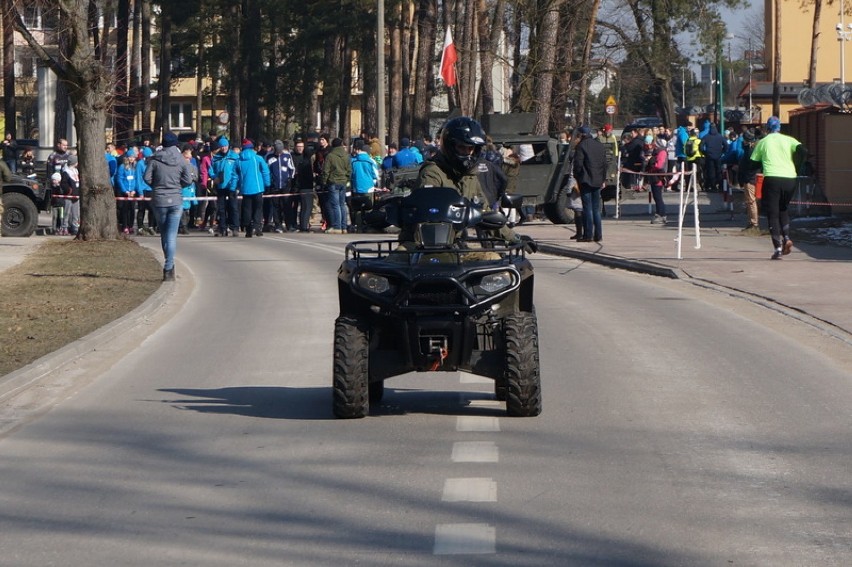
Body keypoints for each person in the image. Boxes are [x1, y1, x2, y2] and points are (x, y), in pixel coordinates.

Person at [409, 116, 535, 251]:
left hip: (454, 246)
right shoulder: (432, 172)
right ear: (450, 146)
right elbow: (428, 212)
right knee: (396, 262)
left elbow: (485, 212)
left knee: (506, 266)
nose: (467, 153)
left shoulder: (470, 176)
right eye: (462, 147)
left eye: (471, 149)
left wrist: (515, 238)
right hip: (422, 245)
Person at [749, 116, 804, 260]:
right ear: (779, 127)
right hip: (790, 178)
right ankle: (787, 237)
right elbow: (803, 150)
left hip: (772, 178)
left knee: (772, 213)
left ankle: (778, 247)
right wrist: (797, 166)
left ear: (767, 128)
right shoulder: (789, 140)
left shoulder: (763, 142)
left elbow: (753, 163)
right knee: (783, 209)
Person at [143, 131, 193, 281]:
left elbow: (146, 177)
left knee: (164, 234)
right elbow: (188, 180)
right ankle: (169, 267)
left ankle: (168, 264)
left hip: (159, 200)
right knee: (171, 235)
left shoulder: (154, 159)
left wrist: (156, 186)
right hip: (176, 199)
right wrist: (178, 185)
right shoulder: (181, 160)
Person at [572, 125, 607, 242]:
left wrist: (577, 176)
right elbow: (604, 164)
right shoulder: (599, 145)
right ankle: (599, 234)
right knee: (596, 209)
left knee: (588, 208)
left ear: (582, 135)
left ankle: (588, 234)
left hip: (586, 180)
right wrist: (603, 179)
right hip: (597, 179)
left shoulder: (581, 146)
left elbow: (578, 164)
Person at [236, 138, 271, 237]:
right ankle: (257, 227)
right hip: (258, 188)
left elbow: (235, 175)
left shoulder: (238, 161)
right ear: (252, 148)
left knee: (247, 209)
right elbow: (265, 171)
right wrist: (267, 183)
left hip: (245, 189)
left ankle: (248, 229)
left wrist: (235, 186)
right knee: (258, 208)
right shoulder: (258, 158)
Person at [210, 137, 240, 237]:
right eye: (222, 146)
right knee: (221, 208)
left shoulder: (234, 156)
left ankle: (234, 227)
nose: (224, 148)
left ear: (228, 146)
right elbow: (211, 170)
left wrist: (235, 185)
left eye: (225, 146)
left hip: (231, 186)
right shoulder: (216, 157)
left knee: (233, 207)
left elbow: (237, 172)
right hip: (221, 186)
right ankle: (222, 227)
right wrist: (214, 177)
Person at [320, 137, 351, 234]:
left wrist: (324, 182)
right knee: (342, 204)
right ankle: (344, 226)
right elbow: (349, 170)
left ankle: (337, 226)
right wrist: (346, 179)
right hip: (343, 182)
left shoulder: (330, 156)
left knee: (335, 205)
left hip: (333, 182)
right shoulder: (346, 156)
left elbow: (326, 171)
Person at [266, 139, 296, 232]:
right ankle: (278, 225)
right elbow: (266, 170)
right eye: (277, 151)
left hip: (285, 185)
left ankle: (289, 225)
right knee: (276, 206)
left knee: (287, 205)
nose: (279, 153)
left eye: (280, 151)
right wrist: (269, 181)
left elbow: (292, 168)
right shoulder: (269, 157)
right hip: (274, 185)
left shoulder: (287, 156)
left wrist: (290, 178)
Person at [349, 139, 379, 230]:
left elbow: (350, 174)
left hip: (356, 187)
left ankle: (358, 226)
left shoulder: (353, 161)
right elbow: (376, 175)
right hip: (368, 188)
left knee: (357, 208)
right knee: (368, 207)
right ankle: (368, 226)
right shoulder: (371, 161)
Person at [738, 129, 760, 231]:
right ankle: (751, 221)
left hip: (750, 178)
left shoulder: (750, 151)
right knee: (749, 201)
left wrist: (745, 177)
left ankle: (754, 222)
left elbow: (750, 166)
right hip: (749, 177)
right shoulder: (749, 149)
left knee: (751, 201)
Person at [292, 139, 315, 232]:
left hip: (302, 187)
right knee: (307, 208)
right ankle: (304, 226)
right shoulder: (306, 164)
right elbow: (307, 176)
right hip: (306, 187)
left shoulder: (303, 163)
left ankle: (303, 225)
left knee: (304, 208)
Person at [646, 137, 669, 225]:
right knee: (656, 197)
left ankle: (661, 214)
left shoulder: (662, 152)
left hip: (658, 177)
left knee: (658, 197)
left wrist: (653, 164)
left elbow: (659, 165)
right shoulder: (657, 152)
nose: (654, 145)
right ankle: (659, 213)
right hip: (654, 176)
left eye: (656, 144)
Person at [700, 124, 726, 193]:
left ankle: (713, 186)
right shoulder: (720, 137)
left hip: (709, 156)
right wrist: (722, 152)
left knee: (711, 171)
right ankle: (720, 186)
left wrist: (705, 153)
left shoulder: (706, 137)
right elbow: (726, 145)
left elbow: (701, 147)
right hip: (718, 156)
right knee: (719, 171)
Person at [59, 155, 81, 236]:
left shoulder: (76, 170)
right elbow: (63, 184)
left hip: (76, 195)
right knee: (67, 212)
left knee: (76, 213)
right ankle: (65, 227)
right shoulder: (66, 172)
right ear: (73, 162)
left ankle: (75, 227)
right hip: (69, 196)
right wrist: (69, 190)